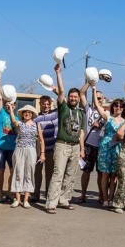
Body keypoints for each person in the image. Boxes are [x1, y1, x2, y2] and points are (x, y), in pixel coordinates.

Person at [46, 63, 86, 214]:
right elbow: (61, 91)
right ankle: (51, 203)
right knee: (58, 174)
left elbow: (82, 132)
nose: (73, 98)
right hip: (62, 145)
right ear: (68, 98)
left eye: (75, 96)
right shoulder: (63, 107)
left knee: (71, 175)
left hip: (75, 146)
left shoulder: (81, 113)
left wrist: (82, 149)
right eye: (72, 96)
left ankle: (64, 200)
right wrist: (58, 73)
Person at [7, 104, 44, 209]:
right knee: (18, 172)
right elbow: (13, 120)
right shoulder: (19, 124)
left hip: (31, 150)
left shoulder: (37, 125)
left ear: (32, 114)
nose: (27, 114)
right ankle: (17, 199)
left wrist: (42, 153)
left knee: (29, 173)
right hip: (19, 149)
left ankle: (26, 199)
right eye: (25, 112)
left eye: (29, 112)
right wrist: (10, 109)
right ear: (22, 114)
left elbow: (41, 140)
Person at [94, 90, 125, 207]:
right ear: (112, 107)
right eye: (116, 105)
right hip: (105, 147)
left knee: (114, 175)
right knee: (105, 174)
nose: (118, 107)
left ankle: (111, 198)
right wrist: (94, 89)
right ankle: (105, 198)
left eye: (121, 106)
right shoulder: (108, 116)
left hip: (117, 148)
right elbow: (97, 105)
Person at [77, 82, 105, 203]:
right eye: (96, 97)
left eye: (99, 98)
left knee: (100, 173)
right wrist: (89, 83)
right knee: (86, 171)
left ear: (103, 100)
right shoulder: (88, 109)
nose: (97, 100)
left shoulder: (105, 113)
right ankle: (83, 195)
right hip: (88, 144)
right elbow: (81, 93)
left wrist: (100, 126)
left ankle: (101, 196)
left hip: (101, 147)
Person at [0, 76, 18, 203]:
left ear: (15, 105)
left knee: (13, 171)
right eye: (8, 104)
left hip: (12, 147)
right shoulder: (0, 112)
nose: (10, 106)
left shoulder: (17, 118)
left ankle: (9, 192)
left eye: (13, 104)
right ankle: (0, 194)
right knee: (0, 171)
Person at [33, 94, 58, 203]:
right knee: (37, 172)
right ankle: (35, 194)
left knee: (50, 173)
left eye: (48, 104)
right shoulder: (35, 118)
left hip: (52, 149)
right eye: (44, 103)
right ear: (40, 104)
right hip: (39, 150)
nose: (46, 106)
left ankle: (48, 195)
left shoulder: (55, 114)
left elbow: (63, 102)